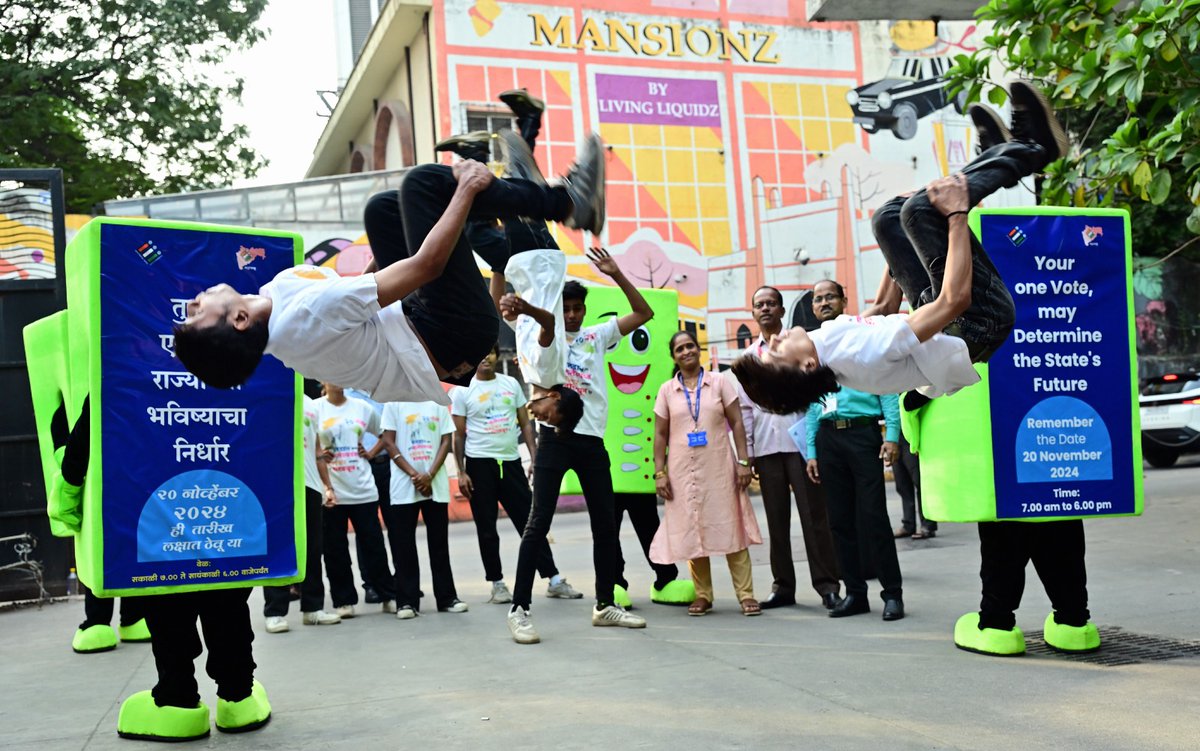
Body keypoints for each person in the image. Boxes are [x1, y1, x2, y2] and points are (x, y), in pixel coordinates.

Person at [173, 138, 606, 399]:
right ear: (241, 319)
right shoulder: (305, 318)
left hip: (421, 324)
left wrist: (430, 222)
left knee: (384, 210)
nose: (193, 301)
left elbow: (370, 287)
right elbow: (426, 266)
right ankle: (564, 203)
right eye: (197, 314)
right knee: (423, 184)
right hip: (449, 335)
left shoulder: (277, 301)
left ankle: (505, 205)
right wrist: (466, 191)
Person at [732, 81, 1068, 412]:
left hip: (942, 316)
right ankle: (1034, 147)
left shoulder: (825, 342)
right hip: (977, 322)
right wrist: (956, 213)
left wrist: (897, 238)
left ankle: (998, 156)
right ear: (806, 366)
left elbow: (882, 308)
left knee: (888, 217)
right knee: (920, 212)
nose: (773, 339)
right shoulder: (862, 354)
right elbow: (955, 300)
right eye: (775, 352)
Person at [52, 397, 270, 740]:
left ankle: (176, 701)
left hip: (158, 517)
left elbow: (84, 440)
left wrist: (68, 493)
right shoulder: (233, 366)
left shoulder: (123, 370)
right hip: (224, 510)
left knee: (168, 607)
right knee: (228, 604)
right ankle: (238, 698)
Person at [506, 260, 653, 644]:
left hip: (591, 443)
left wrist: (617, 274)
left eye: (577, 308)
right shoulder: (543, 335)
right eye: (566, 308)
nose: (571, 315)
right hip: (555, 439)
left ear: (585, 309)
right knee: (538, 524)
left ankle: (605, 604)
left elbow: (644, 313)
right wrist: (500, 271)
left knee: (605, 525)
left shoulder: (597, 336)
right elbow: (500, 307)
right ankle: (519, 609)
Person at [804, 280, 905, 621]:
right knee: (840, 522)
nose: (824, 302)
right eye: (818, 299)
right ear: (813, 308)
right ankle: (855, 594)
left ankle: (892, 594)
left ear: (844, 300)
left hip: (863, 436)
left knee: (874, 516)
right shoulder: (812, 347)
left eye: (830, 296)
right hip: (830, 440)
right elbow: (811, 405)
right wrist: (812, 450)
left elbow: (887, 387)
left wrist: (891, 435)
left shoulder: (858, 334)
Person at [736, 285, 841, 611]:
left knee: (815, 517)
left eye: (771, 304)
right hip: (767, 450)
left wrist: (813, 450)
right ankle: (783, 586)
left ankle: (827, 585)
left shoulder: (798, 347)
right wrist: (747, 454)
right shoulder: (750, 359)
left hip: (800, 447)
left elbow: (814, 398)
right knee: (776, 521)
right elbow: (745, 411)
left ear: (782, 311)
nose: (765, 309)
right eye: (759, 304)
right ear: (752, 313)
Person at [450, 346, 581, 604]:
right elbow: (458, 434)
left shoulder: (510, 384)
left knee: (530, 523)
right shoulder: (462, 392)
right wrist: (461, 472)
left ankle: (553, 579)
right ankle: (497, 584)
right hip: (479, 466)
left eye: (490, 352)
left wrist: (535, 457)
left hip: (510, 464)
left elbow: (525, 424)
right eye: (481, 353)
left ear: (497, 356)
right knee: (486, 528)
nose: (486, 357)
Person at [650, 331, 762, 616]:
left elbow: (737, 423)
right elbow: (660, 435)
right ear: (673, 356)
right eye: (679, 349)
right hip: (681, 473)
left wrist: (744, 462)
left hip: (719, 468)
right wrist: (659, 473)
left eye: (690, 346)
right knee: (693, 530)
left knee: (730, 526)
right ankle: (703, 595)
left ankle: (746, 594)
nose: (686, 351)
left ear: (698, 350)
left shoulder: (720, 382)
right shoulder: (666, 391)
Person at [380, 399, 469, 619]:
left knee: (439, 544)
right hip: (403, 487)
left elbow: (446, 441)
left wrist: (429, 475)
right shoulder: (393, 404)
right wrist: (414, 474)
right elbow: (389, 443)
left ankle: (447, 598)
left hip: (435, 485)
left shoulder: (436, 402)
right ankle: (407, 602)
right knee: (403, 546)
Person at [315, 383, 397, 618]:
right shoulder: (315, 409)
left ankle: (387, 595)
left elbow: (385, 434)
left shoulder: (361, 408)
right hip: (332, 491)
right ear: (323, 380)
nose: (337, 380)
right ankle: (343, 601)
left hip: (362, 488)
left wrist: (371, 453)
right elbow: (306, 442)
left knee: (374, 545)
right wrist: (319, 455)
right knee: (335, 549)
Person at [263, 394, 342, 633]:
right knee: (278, 547)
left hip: (309, 485)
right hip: (279, 484)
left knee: (312, 548)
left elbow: (317, 448)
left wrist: (326, 485)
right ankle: (275, 611)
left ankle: (313, 609)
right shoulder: (271, 392)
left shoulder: (311, 403)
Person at [893, 433, 936, 540]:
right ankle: (908, 525)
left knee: (920, 482)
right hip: (895, 437)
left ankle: (928, 525)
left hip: (911, 437)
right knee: (902, 484)